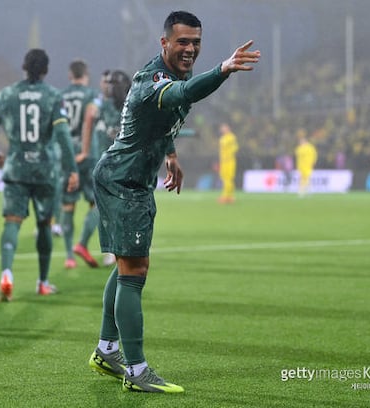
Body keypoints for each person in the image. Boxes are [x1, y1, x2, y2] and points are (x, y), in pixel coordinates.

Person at [87, 11, 259, 393]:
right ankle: (136, 371)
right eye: (182, 42)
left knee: (127, 265)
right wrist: (223, 70)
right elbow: (179, 96)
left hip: (130, 178)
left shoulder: (176, 73)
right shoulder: (154, 80)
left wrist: (171, 154)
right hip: (123, 180)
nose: (190, 49)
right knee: (135, 271)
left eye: (196, 42)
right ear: (164, 43)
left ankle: (106, 350)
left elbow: (161, 119)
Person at [0, 48, 78, 300]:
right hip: (45, 170)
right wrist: (71, 169)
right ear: (45, 69)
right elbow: (63, 135)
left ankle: (6, 274)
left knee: (12, 222)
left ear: (24, 68)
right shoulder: (53, 96)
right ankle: (43, 282)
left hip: (16, 168)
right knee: (45, 224)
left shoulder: (7, 94)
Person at [60, 60, 99, 269]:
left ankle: (69, 257)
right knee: (99, 203)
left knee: (68, 206)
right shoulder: (91, 95)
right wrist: (84, 149)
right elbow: (90, 117)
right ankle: (82, 244)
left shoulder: (61, 96)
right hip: (87, 157)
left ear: (69, 76)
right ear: (86, 75)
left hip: (67, 157)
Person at [91, 69, 132, 266]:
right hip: (108, 164)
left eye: (113, 83)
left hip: (123, 165)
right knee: (107, 209)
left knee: (120, 209)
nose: (110, 87)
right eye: (108, 83)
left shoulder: (130, 105)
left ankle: (121, 248)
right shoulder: (102, 106)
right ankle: (110, 250)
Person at [217, 123, 238, 204]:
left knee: (228, 179)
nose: (222, 130)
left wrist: (229, 156)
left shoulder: (232, 137)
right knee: (224, 178)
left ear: (228, 128)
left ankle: (227, 196)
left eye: (224, 128)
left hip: (230, 161)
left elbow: (235, 148)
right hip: (223, 162)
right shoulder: (223, 138)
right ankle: (228, 196)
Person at [294, 130, 318, 196]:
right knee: (304, 178)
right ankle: (305, 190)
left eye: (302, 142)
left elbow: (314, 155)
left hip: (308, 165)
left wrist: (313, 162)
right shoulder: (300, 148)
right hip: (302, 166)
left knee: (305, 178)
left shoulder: (310, 147)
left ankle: (303, 190)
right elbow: (297, 154)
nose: (301, 143)